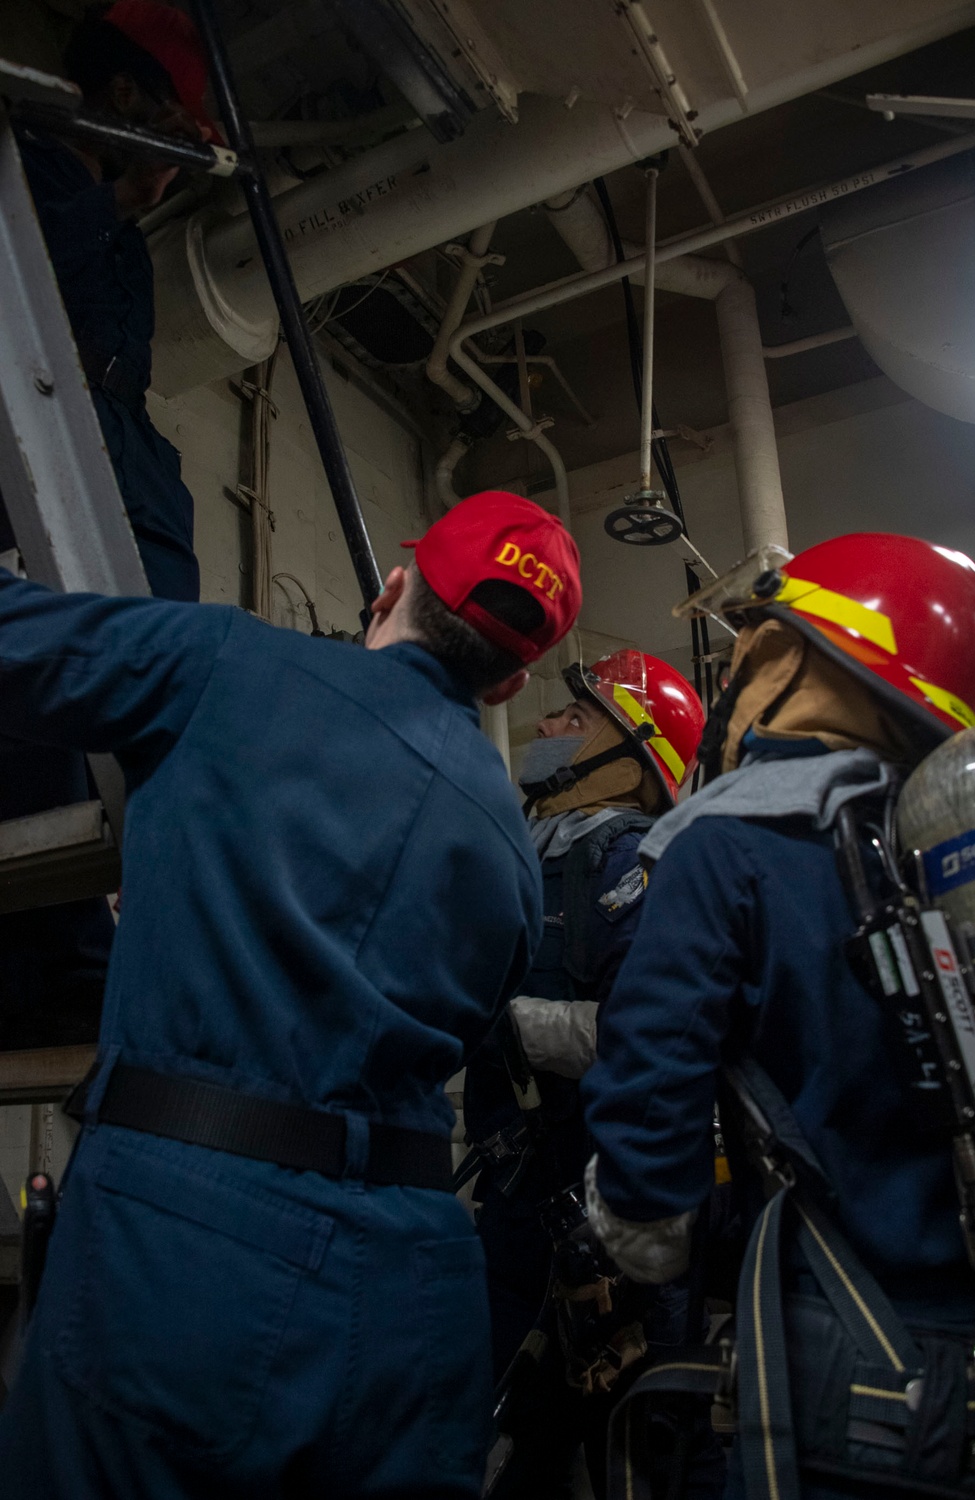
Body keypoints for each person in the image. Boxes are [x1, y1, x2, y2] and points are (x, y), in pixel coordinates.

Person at [0, 490, 581, 1500]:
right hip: (416, 1288)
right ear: (511, 682)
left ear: (390, 590)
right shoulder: (514, 856)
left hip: (181, 1254)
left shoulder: (232, 664)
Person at [581, 533, 975, 1498]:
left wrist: (637, 1237)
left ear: (794, 655)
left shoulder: (729, 842)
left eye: (750, 643)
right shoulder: (945, 856)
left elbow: (650, 1109)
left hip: (845, 1374)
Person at [0, 0, 215, 1047]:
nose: (179, 160)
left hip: (121, 474)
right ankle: (59, 957)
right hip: (47, 466)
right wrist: (109, 195)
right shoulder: (27, 177)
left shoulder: (123, 243)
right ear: (123, 96)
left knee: (132, 710)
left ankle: (86, 948)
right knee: (45, 719)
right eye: (174, 127)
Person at [462, 649, 710, 1498]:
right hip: (512, 1206)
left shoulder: (633, 864)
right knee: (509, 1447)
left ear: (628, 757)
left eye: (574, 719)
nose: (546, 727)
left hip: (603, 1226)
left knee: (624, 1451)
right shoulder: (524, 855)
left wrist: (512, 1028)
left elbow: (656, 1038)